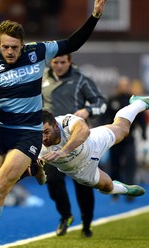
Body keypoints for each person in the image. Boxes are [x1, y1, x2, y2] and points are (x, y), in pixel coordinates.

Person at [0, 0, 108, 248]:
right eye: (5, 47)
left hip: (28, 132)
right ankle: (32, 169)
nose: (10, 51)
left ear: (23, 44)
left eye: (15, 47)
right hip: (1, 131)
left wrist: (94, 16)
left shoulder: (38, 52)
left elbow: (72, 44)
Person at [37, 95, 149, 205]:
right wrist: (40, 173)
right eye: (39, 133)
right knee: (107, 187)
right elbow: (40, 179)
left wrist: (63, 151)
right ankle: (125, 190)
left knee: (122, 129)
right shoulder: (35, 144)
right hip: (80, 171)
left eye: (46, 132)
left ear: (56, 126)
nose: (43, 138)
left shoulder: (65, 121)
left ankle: (139, 103)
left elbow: (84, 131)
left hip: (93, 142)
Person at [42, 53, 107, 237]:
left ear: (70, 62)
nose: (59, 65)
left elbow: (101, 103)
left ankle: (86, 223)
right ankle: (65, 216)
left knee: (84, 183)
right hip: (51, 140)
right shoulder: (41, 80)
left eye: (63, 62)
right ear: (51, 62)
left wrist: (88, 110)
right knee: (53, 181)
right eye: (56, 62)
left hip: (76, 139)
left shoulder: (81, 80)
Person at [104, 76, 148, 202]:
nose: (123, 87)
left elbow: (142, 119)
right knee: (114, 165)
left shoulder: (133, 101)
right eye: (121, 85)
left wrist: (144, 133)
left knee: (130, 165)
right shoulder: (112, 100)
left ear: (128, 86)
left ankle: (130, 192)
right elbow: (105, 117)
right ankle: (114, 192)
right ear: (118, 87)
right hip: (114, 140)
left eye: (125, 85)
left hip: (129, 139)